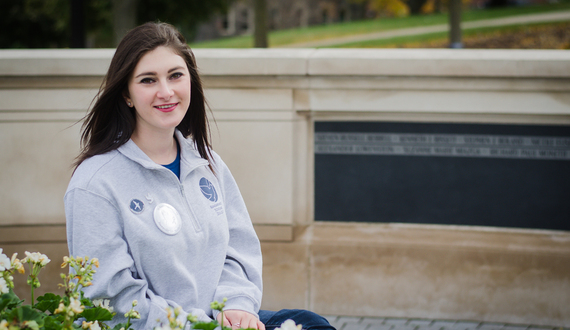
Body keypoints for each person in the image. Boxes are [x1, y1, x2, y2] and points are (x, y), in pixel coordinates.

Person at [64, 22, 335, 330]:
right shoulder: (94, 184)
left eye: (176, 75)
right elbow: (111, 299)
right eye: (148, 80)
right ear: (126, 94)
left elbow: (238, 249)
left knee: (312, 324)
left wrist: (236, 307)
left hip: (220, 321)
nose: (166, 92)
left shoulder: (207, 162)